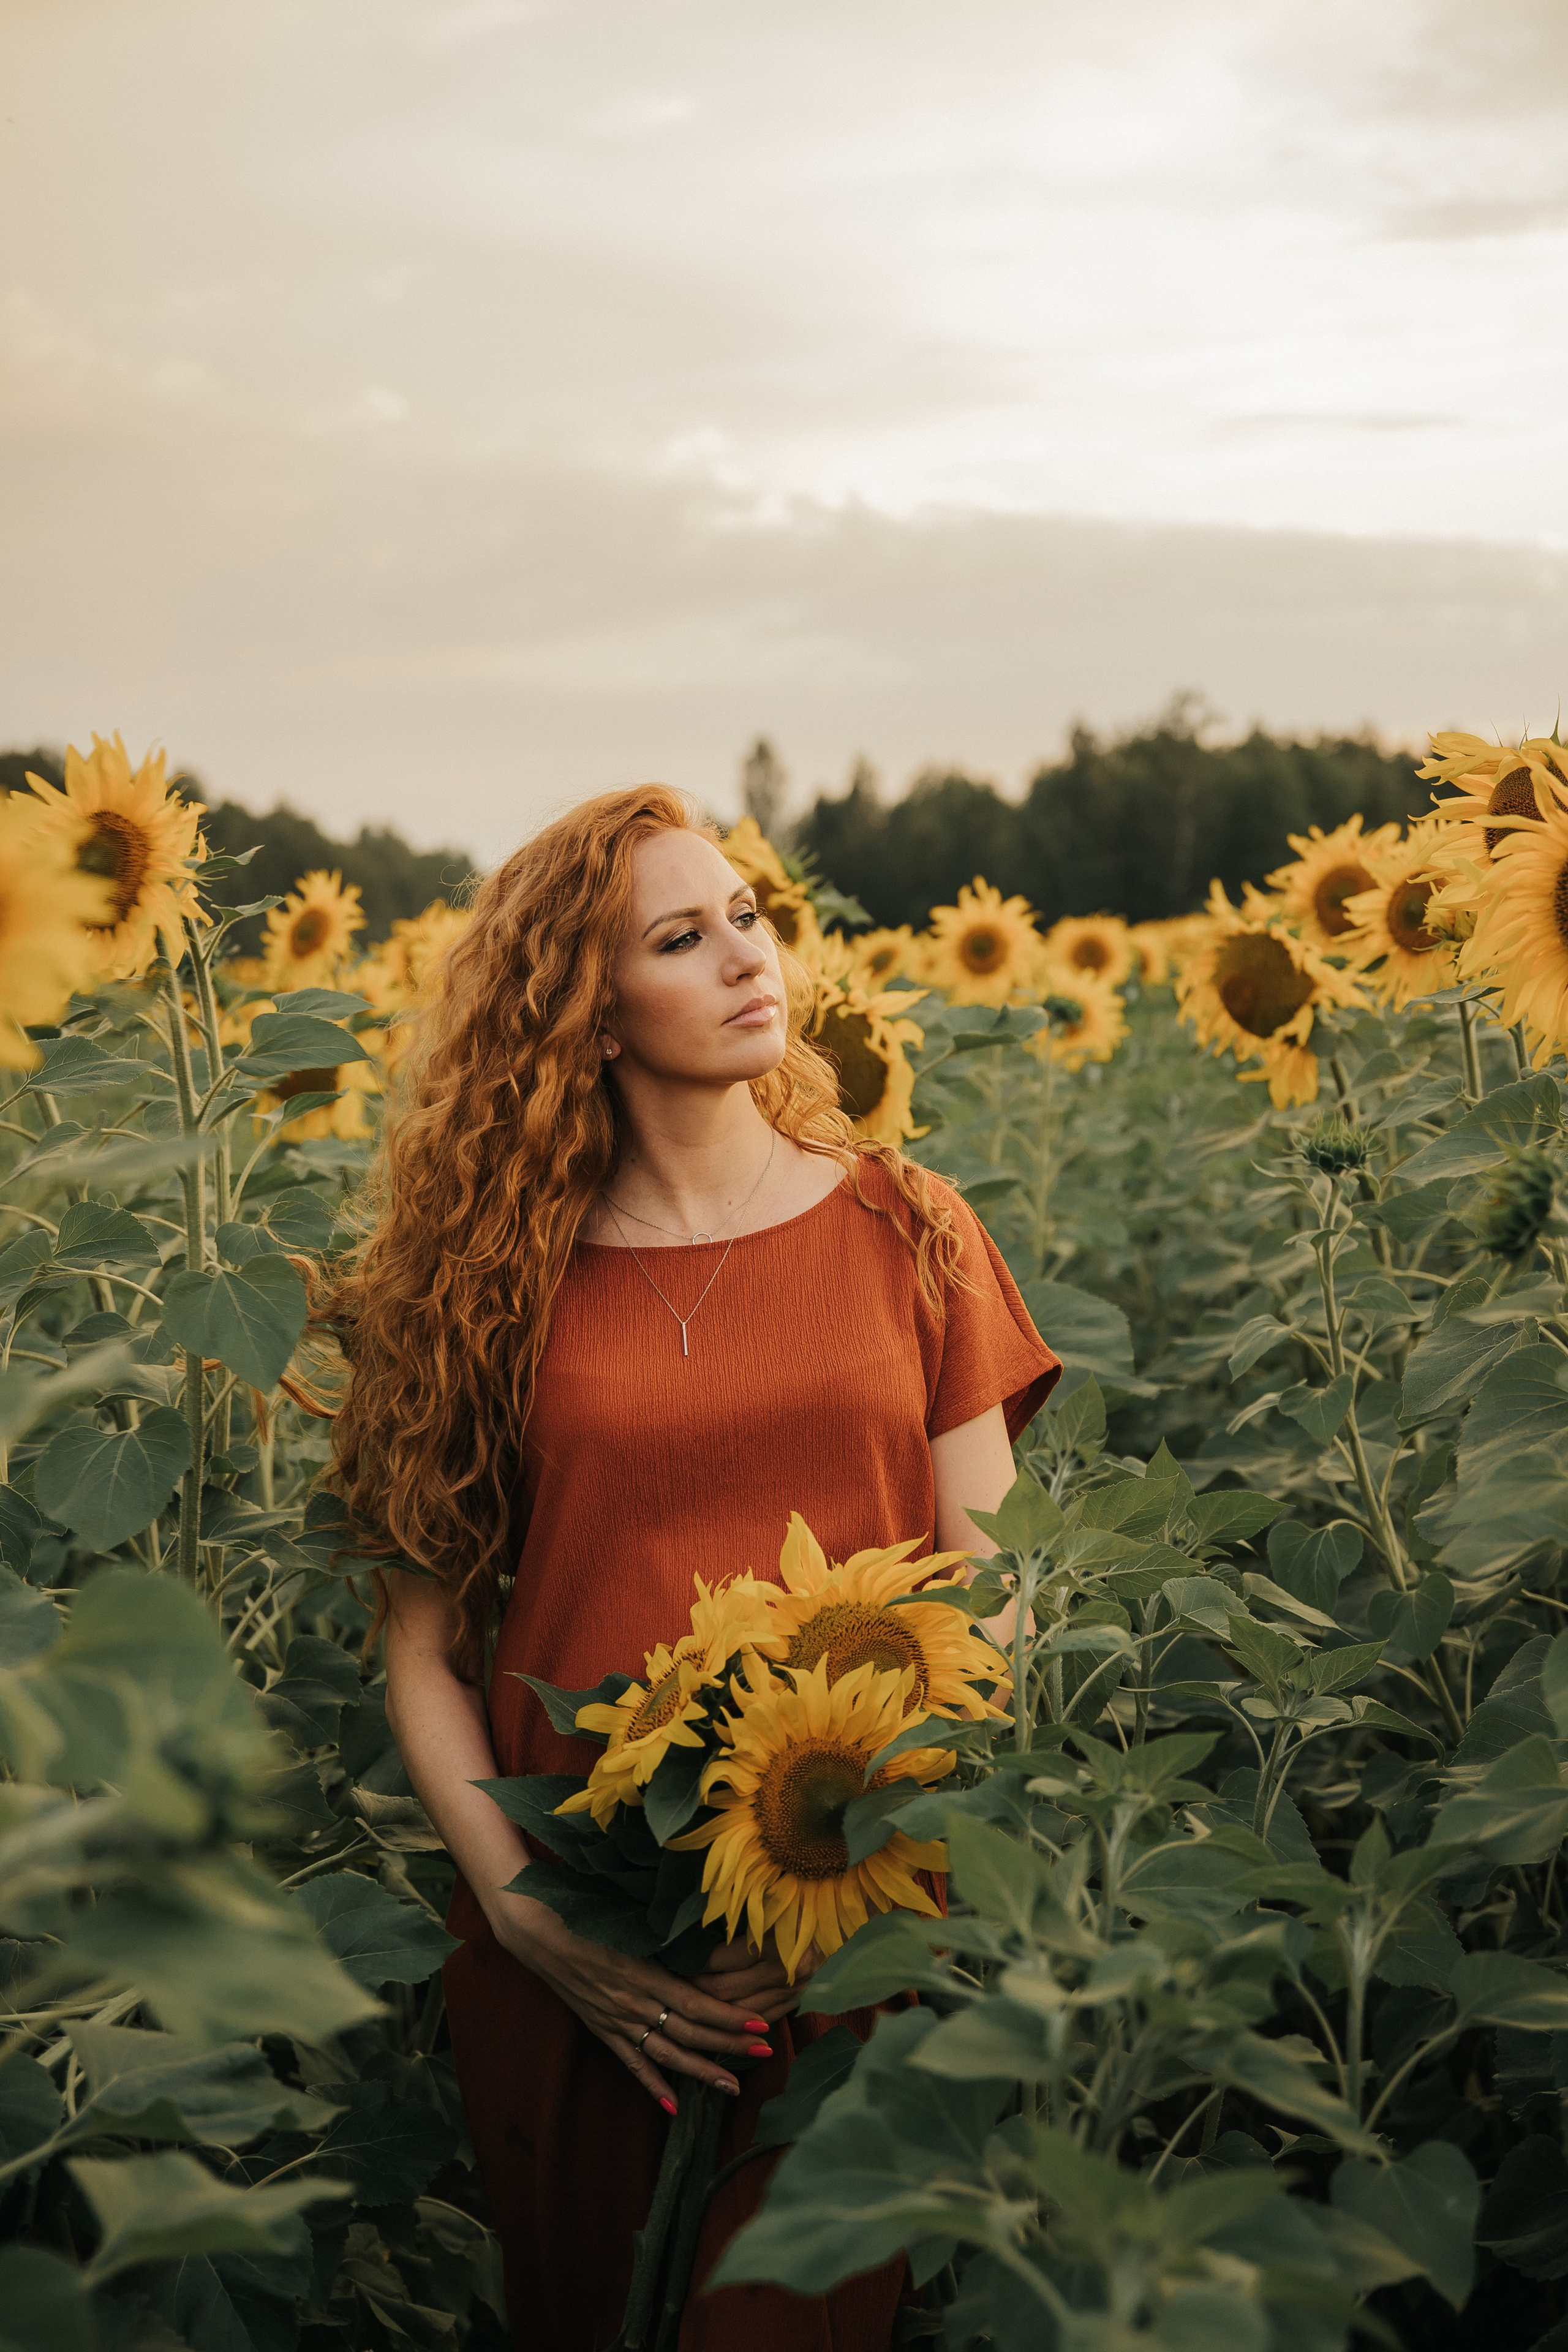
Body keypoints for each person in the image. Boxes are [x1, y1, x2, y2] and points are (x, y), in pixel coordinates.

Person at [323, 785, 1058, 2350]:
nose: (744, 957)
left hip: (847, 1910)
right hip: (583, 1930)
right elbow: (422, 1654)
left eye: (745, 916)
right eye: (679, 937)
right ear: (585, 1012)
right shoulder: (480, 1287)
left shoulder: (910, 1227)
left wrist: (840, 1861)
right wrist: (528, 1919)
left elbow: (993, 1591)